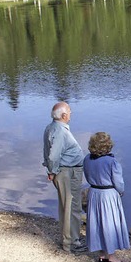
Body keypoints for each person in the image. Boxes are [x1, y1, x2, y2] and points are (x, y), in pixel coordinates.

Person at [43, 101, 87, 253]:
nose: (71, 114)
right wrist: (52, 170)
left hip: (65, 171)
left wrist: (51, 171)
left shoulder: (51, 127)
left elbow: (47, 151)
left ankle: (71, 237)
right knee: (71, 207)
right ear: (63, 115)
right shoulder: (60, 131)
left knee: (68, 206)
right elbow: (53, 154)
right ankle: (71, 243)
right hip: (67, 172)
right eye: (69, 111)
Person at [83, 132, 130, 262]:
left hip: (94, 192)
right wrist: (120, 192)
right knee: (110, 224)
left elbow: (86, 175)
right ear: (107, 146)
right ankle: (112, 257)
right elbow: (118, 182)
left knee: (97, 222)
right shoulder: (111, 162)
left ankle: (102, 254)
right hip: (107, 194)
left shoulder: (87, 159)